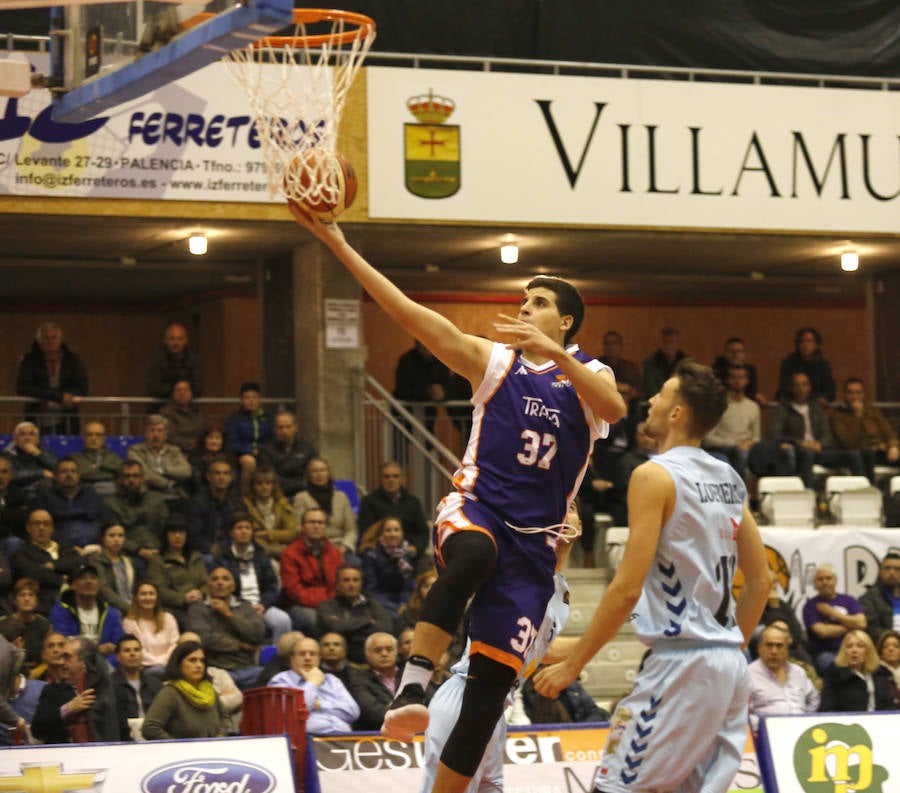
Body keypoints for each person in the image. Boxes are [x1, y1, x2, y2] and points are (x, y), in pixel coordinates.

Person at [291, 206, 624, 774]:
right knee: (474, 551)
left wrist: (564, 358)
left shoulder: (590, 375)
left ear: (567, 321)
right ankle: (413, 684)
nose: (525, 308)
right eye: (524, 300)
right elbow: (412, 315)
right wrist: (339, 244)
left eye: (540, 302)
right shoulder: (495, 363)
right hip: (479, 508)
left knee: (487, 698)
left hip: (536, 546)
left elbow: (615, 408)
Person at [534, 361, 770, 793]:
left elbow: (626, 589)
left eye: (661, 395)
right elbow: (762, 581)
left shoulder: (653, 475)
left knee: (615, 786)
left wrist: (573, 666)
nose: (652, 401)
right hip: (728, 667)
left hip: (680, 665)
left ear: (677, 413)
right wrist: (729, 647)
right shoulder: (729, 479)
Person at [422, 514, 576, 793]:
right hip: (465, 695)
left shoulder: (558, 587)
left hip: (497, 707)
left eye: (572, 505)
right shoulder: (517, 571)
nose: (566, 511)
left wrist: (602, 635)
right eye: (563, 505)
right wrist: (600, 635)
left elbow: (541, 650)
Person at [763, 372, 866, 488]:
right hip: (797, 452)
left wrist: (820, 443)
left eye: (804, 385)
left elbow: (826, 432)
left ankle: (863, 492)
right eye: (797, 385)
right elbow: (775, 435)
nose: (801, 388)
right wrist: (800, 443)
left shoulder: (816, 408)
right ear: (791, 388)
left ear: (809, 388)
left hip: (818, 451)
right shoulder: (782, 409)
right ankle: (809, 494)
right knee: (807, 455)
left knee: (854, 455)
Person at [184, 566, 265, 690]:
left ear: (233, 587)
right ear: (208, 586)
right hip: (215, 671)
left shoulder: (245, 607)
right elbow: (205, 639)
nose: (220, 583)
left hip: (247, 670)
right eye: (215, 579)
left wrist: (229, 615)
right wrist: (241, 645)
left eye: (225, 579)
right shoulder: (197, 609)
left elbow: (257, 635)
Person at [216, 512, 292, 643]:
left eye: (247, 528)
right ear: (231, 533)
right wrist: (247, 607)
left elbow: (272, 586)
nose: (244, 532)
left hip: (261, 605)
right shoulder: (223, 557)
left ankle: (278, 659)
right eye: (239, 528)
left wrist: (263, 604)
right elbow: (222, 588)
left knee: (282, 620)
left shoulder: (261, 555)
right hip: (236, 606)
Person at [32, 636, 123, 743]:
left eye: (67, 657)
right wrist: (67, 709)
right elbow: (37, 730)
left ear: (84, 662)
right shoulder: (52, 691)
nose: (61, 662)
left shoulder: (110, 691)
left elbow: (123, 732)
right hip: (65, 755)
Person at [268, 636, 360, 734]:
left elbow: (353, 712)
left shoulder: (331, 680)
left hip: (342, 738)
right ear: (292, 658)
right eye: (302, 654)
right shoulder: (280, 680)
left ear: (319, 658)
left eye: (312, 654)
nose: (307, 658)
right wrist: (312, 683)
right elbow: (295, 713)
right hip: (306, 740)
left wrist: (320, 705)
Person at [141, 639, 228, 739]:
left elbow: (224, 717)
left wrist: (220, 738)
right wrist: (177, 747)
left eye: (202, 661)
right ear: (178, 664)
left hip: (214, 750)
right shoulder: (170, 693)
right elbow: (150, 728)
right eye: (192, 660)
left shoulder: (209, 690)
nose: (199, 665)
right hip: (185, 753)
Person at [16, 321, 88, 435]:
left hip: (67, 418)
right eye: (46, 338)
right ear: (39, 341)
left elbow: (82, 387)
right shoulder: (29, 360)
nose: (50, 341)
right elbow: (23, 387)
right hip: (37, 417)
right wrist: (57, 397)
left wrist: (66, 396)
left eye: (54, 337)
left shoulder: (73, 360)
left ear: (60, 340)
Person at [316, 563, 396, 665]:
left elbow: (386, 628)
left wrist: (348, 630)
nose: (351, 584)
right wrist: (367, 621)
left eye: (355, 580)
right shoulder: (327, 606)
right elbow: (334, 626)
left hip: (371, 660)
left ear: (361, 583)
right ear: (338, 584)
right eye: (346, 580)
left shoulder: (372, 604)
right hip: (341, 662)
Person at [747, 624, 819, 735]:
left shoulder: (799, 672)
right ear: (759, 648)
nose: (774, 651)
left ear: (786, 650)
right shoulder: (748, 674)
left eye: (779, 646)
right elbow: (743, 714)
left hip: (801, 734)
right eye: (769, 645)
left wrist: (806, 720)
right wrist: (763, 727)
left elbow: (813, 699)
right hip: (767, 735)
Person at [280, 508, 343, 636]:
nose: (316, 526)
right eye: (312, 522)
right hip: (300, 605)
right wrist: (325, 604)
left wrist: (331, 603)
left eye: (320, 523)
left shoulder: (333, 552)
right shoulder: (290, 554)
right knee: (316, 620)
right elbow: (294, 591)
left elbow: (339, 583)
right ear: (303, 526)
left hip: (331, 602)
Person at [356, 461, 431, 568]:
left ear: (402, 479)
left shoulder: (413, 502)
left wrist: (416, 547)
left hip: (409, 550)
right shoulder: (369, 502)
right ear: (381, 479)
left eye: (395, 476)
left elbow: (423, 532)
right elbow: (366, 531)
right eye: (386, 477)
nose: (391, 480)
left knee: (427, 564)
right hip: (379, 552)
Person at [12, 509, 84, 615]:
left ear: (52, 528)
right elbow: (36, 575)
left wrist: (53, 565)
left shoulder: (65, 548)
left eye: (46, 524)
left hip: (76, 599)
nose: (41, 528)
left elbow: (78, 562)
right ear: (28, 528)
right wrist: (65, 578)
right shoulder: (22, 553)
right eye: (37, 524)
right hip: (45, 604)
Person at [35, 456, 115, 551]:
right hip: (58, 549)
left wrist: (97, 545)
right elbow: (42, 528)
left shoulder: (91, 494)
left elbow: (108, 522)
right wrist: (68, 547)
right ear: (55, 476)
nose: (69, 475)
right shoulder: (45, 497)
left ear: (78, 475)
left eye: (73, 471)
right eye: (64, 472)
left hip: (94, 548)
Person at [830, 377, 900, 483]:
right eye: (850, 393)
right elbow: (847, 442)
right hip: (861, 454)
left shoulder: (872, 411)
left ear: (863, 394)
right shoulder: (838, 416)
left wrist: (893, 446)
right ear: (844, 395)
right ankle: (870, 489)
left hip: (881, 452)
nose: (855, 397)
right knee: (867, 453)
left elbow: (888, 431)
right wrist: (857, 416)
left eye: (858, 392)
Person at [350, 632, 423, 731]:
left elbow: (430, 702)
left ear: (396, 652)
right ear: (367, 655)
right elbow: (375, 714)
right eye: (378, 650)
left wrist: (392, 707)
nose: (384, 654)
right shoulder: (359, 680)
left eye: (389, 649)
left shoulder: (410, 675)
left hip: (418, 734)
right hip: (378, 736)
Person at [48, 562, 124, 658]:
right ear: (73, 585)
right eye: (82, 578)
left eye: (93, 577)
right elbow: (64, 643)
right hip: (73, 662)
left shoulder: (111, 613)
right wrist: (98, 649)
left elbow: (118, 646)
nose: (89, 581)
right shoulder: (61, 611)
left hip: (106, 664)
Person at [105, 460, 170, 570]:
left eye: (135, 476)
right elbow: (112, 536)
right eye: (127, 476)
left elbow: (166, 528)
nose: (131, 480)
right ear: (119, 479)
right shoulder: (111, 503)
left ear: (142, 478)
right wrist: (138, 550)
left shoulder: (156, 499)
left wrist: (161, 550)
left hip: (157, 549)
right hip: (128, 552)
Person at [802, 563, 867, 674]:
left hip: (852, 649)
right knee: (838, 668)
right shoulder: (811, 606)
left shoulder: (849, 600)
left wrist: (832, 613)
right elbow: (823, 632)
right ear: (815, 584)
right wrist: (851, 626)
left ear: (835, 581)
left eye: (828, 578)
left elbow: (862, 623)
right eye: (820, 579)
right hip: (826, 652)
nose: (825, 582)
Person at [146, 513, 208, 627]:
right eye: (173, 532)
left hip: (201, 603)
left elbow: (206, 583)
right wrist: (183, 598)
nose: (178, 536)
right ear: (166, 535)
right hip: (176, 609)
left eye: (181, 532)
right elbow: (158, 590)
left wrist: (201, 593)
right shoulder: (158, 560)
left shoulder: (196, 557)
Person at [702, 364, 760, 480]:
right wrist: (735, 443)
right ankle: (741, 494)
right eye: (733, 377)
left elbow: (757, 436)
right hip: (725, 448)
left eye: (741, 377)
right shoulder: (718, 405)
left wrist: (750, 443)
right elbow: (708, 439)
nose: (737, 381)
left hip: (748, 448)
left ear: (747, 380)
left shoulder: (753, 406)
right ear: (727, 380)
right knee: (739, 453)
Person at [292, 457, 357, 559]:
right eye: (315, 471)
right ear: (308, 475)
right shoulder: (301, 498)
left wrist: (345, 546)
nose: (319, 474)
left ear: (328, 473)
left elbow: (351, 530)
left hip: (341, 547)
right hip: (314, 548)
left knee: (355, 565)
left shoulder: (341, 497)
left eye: (322, 470)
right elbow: (299, 528)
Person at [819, 629, 894, 712]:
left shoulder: (879, 673)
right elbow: (827, 708)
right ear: (844, 651)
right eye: (849, 646)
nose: (854, 650)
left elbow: (889, 706)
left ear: (868, 651)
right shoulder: (834, 675)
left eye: (860, 646)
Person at [393, 339, 451, 440]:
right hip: (404, 414)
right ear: (417, 345)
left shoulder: (440, 360)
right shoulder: (407, 361)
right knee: (400, 446)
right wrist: (428, 393)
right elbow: (403, 389)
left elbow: (448, 385)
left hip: (427, 414)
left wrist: (442, 393)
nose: (428, 350)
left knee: (428, 444)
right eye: (424, 346)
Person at [127, 415, 193, 500]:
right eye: (152, 430)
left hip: (176, 495)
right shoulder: (135, 450)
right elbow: (144, 474)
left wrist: (163, 470)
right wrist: (168, 483)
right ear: (146, 434)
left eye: (160, 431)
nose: (155, 434)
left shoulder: (174, 451)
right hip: (148, 494)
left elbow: (187, 471)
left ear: (166, 435)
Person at [189, 457, 244, 558]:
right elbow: (194, 537)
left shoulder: (237, 503)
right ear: (209, 477)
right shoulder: (197, 502)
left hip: (233, 549)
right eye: (217, 473)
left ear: (231, 477)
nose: (221, 477)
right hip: (206, 551)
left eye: (226, 473)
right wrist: (211, 548)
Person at [359, 517, 416, 614]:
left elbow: (408, 587)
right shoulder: (371, 555)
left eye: (396, 530)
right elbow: (371, 589)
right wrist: (395, 607)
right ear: (381, 533)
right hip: (380, 602)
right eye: (388, 530)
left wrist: (404, 604)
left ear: (401, 533)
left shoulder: (406, 555)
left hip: (402, 602)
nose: (392, 534)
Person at [122, 580, 180, 674]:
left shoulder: (168, 618)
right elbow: (138, 650)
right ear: (136, 598)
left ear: (157, 598)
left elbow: (174, 645)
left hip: (169, 665)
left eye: (151, 594)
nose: (148, 597)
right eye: (143, 594)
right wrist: (159, 663)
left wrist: (163, 663)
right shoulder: (130, 622)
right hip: (145, 668)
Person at [257, 411, 318, 499]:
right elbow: (270, 477)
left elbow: (313, 471)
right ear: (274, 430)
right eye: (280, 427)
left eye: (288, 427)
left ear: (295, 428)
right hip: (278, 494)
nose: (284, 431)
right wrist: (300, 485)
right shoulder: (266, 450)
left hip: (305, 494)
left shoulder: (307, 447)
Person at [243, 467, 297, 560]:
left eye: (268, 483)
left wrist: (267, 534)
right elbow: (247, 535)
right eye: (259, 484)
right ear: (253, 486)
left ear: (273, 486)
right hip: (256, 552)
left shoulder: (282, 504)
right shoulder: (246, 506)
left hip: (282, 549)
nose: (264, 487)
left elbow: (291, 532)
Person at [111, 633, 163, 730]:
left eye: (137, 650)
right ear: (118, 656)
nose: (133, 654)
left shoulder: (155, 684)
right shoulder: (110, 685)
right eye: (127, 650)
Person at [226, 381, 273, 484]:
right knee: (249, 461)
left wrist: (261, 449)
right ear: (241, 400)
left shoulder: (267, 417)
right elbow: (233, 442)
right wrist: (250, 450)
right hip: (242, 454)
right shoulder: (235, 419)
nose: (251, 401)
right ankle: (245, 494)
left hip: (264, 452)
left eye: (255, 397)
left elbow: (272, 438)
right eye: (247, 398)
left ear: (259, 399)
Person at [145, 322, 203, 405]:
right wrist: (176, 390)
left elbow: (198, 388)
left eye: (180, 339)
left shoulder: (193, 360)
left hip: (189, 410)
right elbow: (154, 388)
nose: (176, 343)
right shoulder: (157, 360)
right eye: (172, 339)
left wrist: (183, 391)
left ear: (186, 341)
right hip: (160, 409)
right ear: (165, 340)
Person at [776, 326, 836, 406]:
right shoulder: (789, 363)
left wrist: (824, 398)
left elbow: (829, 390)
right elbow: (785, 387)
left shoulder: (823, 365)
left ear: (817, 345)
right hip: (792, 404)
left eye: (809, 341)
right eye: (802, 341)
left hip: (817, 406)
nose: (805, 345)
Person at [2, 578, 50, 670]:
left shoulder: (45, 625)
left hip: (38, 674)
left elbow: (47, 658)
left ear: (36, 601)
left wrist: (37, 672)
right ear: (15, 600)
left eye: (31, 595)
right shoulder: (3, 624)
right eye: (22, 595)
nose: (27, 599)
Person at [88, 522, 136, 614]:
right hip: (110, 608)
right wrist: (129, 609)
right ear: (103, 538)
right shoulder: (96, 560)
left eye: (120, 536)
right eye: (112, 535)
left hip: (131, 606)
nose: (117, 539)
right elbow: (104, 590)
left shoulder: (127, 560)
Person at [2, 422, 57, 494]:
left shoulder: (45, 453)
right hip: (17, 493)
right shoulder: (7, 455)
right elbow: (11, 475)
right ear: (15, 439)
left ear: (37, 439)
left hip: (42, 493)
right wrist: (41, 473)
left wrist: (38, 454)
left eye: (31, 434)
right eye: (22, 434)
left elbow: (58, 468)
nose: (27, 438)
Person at [71, 421, 122, 497]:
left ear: (104, 438)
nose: (94, 438)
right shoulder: (75, 458)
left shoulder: (114, 457)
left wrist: (93, 468)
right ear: (84, 437)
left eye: (98, 435)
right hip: (85, 495)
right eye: (89, 435)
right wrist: (107, 469)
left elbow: (123, 476)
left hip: (111, 496)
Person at [858, 552, 900, 643]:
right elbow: (870, 628)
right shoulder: (869, 597)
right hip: (885, 647)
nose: (892, 572)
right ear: (881, 572)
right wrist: (894, 638)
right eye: (887, 568)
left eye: (897, 569)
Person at [159, 380, 208, 454]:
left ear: (191, 393)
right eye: (178, 390)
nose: (182, 393)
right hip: (178, 452)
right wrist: (197, 444)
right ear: (173, 394)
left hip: (201, 451)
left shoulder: (198, 411)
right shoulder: (166, 412)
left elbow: (204, 430)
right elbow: (172, 438)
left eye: (186, 390)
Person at [711, 337, 764, 402]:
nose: (736, 355)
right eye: (732, 351)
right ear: (725, 353)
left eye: (739, 351)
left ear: (744, 354)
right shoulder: (716, 370)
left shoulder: (750, 370)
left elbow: (752, 392)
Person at [642, 327, 687, 398]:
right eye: (666, 342)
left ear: (678, 344)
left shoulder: (686, 363)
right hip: (658, 400)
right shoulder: (650, 363)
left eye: (672, 342)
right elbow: (651, 390)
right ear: (661, 343)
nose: (669, 346)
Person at [599, 330, 642, 403]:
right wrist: (621, 387)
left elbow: (637, 392)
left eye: (614, 343)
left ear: (621, 346)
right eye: (607, 344)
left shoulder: (630, 367)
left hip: (627, 406)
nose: (610, 347)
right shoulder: (596, 365)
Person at [0, 456, 29, 558]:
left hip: (12, 540)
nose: (1, 476)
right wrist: (13, 513)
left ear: (11, 475)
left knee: (14, 542)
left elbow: (24, 520)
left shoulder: (19, 494)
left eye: (4, 472)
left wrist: (3, 514)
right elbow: (17, 516)